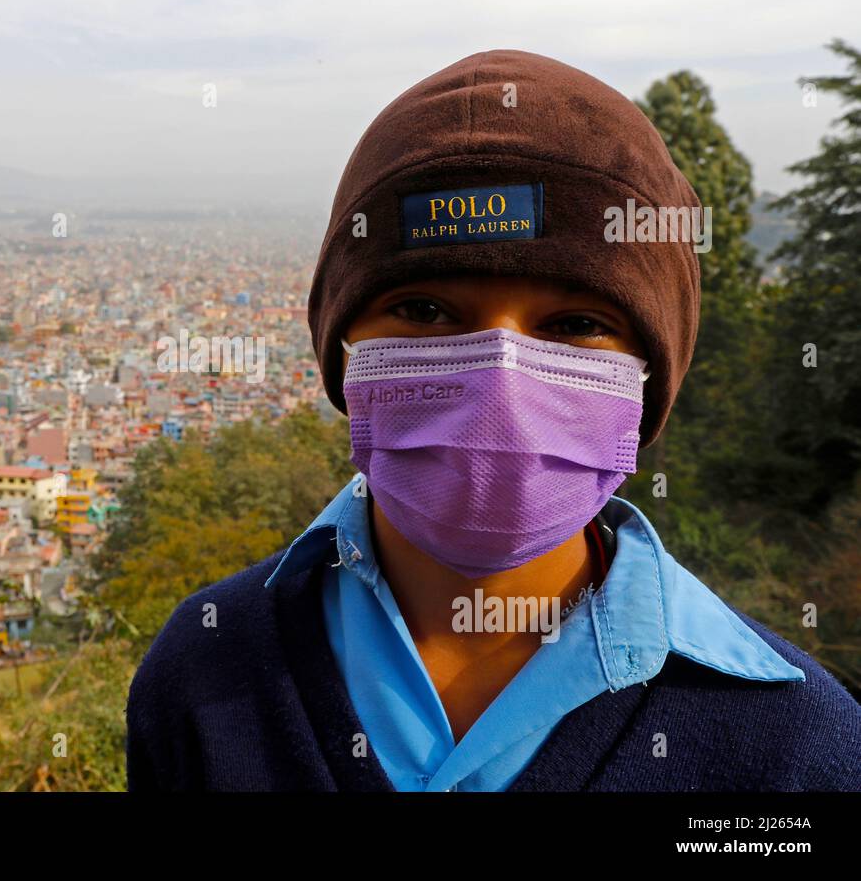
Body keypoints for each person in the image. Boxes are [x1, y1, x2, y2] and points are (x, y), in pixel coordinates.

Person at [124, 50, 861, 791]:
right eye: (424, 311)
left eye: (574, 323)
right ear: (341, 347)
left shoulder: (795, 750)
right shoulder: (202, 677)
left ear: (650, 374)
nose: (499, 384)